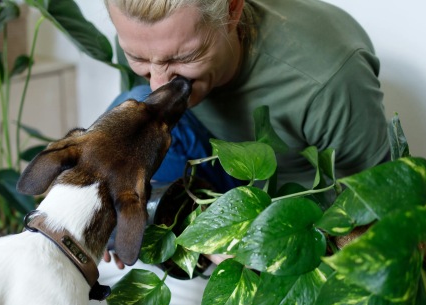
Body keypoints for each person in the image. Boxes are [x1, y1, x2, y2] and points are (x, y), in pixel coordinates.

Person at [103, 0, 389, 266]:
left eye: (182, 57)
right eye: (137, 58)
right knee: (132, 112)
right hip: (212, 167)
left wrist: (248, 245)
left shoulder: (330, 79)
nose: (159, 85)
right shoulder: (145, 35)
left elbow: (373, 207)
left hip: (293, 210)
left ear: (232, 10)